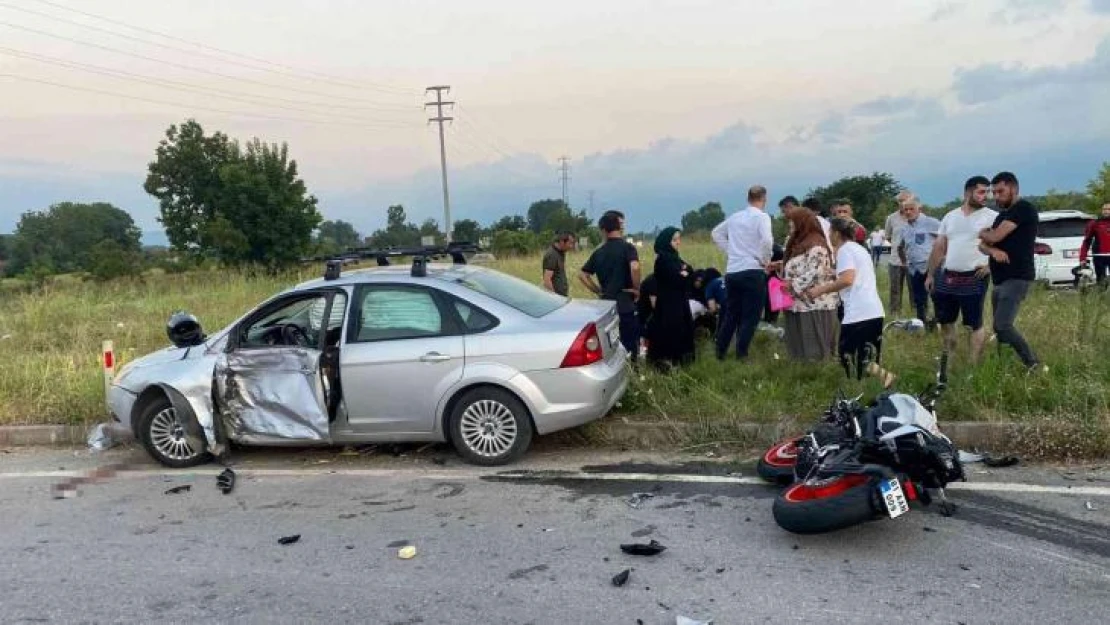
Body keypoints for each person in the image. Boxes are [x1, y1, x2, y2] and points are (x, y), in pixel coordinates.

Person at [926, 176, 998, 364]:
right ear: (967, 193)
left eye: (988, 192)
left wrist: (991, 265)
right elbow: (939, 246)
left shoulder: (992, 217)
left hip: (975, 276)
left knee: (974, 323)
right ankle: (948, 358)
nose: (986, 196)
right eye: (982, 192)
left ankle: (973, 364)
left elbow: (1008, 244)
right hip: (948, 275)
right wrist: (931, 274)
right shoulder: (951, 216)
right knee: (945, 320)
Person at [805, 218, 886, 380]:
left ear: (836, 233)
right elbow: (857, 275)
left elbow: (848, 279)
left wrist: (819, 290)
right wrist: (835, 272)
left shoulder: (844, 251)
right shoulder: (859, 249)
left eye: (830, 233)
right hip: (874, 311)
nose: (829, 236)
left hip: (859, 313)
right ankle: (885, 380)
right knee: (866, 357)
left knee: (847, 356)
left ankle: (868, 385)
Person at [978, 171, 1041, 372]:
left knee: (1003, 325)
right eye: (993, 193)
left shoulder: (1023, 209)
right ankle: (1002, 365)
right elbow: (983, 245)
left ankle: (1033, 364)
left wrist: (986, 236)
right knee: (998, 327)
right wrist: (992, 250)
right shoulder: (1002, 215)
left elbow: (993, 236)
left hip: (1017, 276)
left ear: (1013, 188)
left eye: (1000, 191)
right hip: (999, 278)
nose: (996, 197)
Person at [711, 185, 774, 360]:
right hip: (753, 269)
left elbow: (716, 233)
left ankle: (720, 351)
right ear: (764, 199)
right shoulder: (762, 217)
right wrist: (765, 259)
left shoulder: (735, 217)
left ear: (748, 199)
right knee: (751, 315)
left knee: (731, 313)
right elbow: (767, 240)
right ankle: (742, 353)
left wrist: (730, 250)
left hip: (733, 271)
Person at [579, 212, 641, 359]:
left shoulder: (599, 252)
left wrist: (598, 290)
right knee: (630, 343)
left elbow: (582, 275)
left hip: (606, 304)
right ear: (619, 228)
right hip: (625, 302)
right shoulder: (628, 248)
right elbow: (635, 267)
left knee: (610, 344)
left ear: (603, 230)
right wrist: (636, 288)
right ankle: (633, 370)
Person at [780, 210, 838, 361]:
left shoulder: (817, 244)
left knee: (812, 335)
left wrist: (792, 285)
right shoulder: (798, 242)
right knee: (798, 335)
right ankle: (801, 363)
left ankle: (816, 368)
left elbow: (815, 272)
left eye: (793, 221)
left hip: (814, 301)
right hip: (797, 301)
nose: (790, 224)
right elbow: (799, 263)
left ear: (802, 222)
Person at [646, 227, 696, 368]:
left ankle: (681, 361)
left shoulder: (674, 257)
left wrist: (685, 272)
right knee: (672, 331)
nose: (678, 242)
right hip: (669, 303)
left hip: (679, 301)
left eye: (679, 239)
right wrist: (683, 273)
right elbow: (677, 279)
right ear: (666, 241)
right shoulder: (663, 260)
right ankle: (670, 362)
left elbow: (690, 271)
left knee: (683, 330)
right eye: (674, 240)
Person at [898, 199, 941, 328]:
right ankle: (922, 323)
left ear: (920, 209)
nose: (908, 212)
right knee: (919, 299)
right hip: (914, 268)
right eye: (905, 210)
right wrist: (904, 262)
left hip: (930, 266)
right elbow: (900, 246)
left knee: (936, 296)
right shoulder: (904, 228)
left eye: (911, 209)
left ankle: (939, 322)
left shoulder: (931, 222)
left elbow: (946, 239)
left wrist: (943, 257)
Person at [884, 194, 911, 315]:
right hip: (895, 259)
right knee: (895, 289)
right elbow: (888, 236)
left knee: (914, 289)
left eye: (904, 200)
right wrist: (897, 245)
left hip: (913, 260)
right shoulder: (891, 218)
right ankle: (895, 313)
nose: (902, 203)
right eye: (899, 201)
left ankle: (915, 312)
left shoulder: (919, 217)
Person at [1079, 202, 1110, 286]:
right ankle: (1101, 297)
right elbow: (1087, 241)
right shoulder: (1094, 224)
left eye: (1108, 209)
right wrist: (1082, 257)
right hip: (1099, 256)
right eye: (1104, 209)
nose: (1106, 211)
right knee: (1101, 281)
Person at [541, 232, 575, 296]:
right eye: (570, 243)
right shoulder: (552, 255)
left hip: (561, 296)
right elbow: (547, 280)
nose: (571, 246)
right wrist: (555, 298)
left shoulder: (561, 252)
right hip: (556, 299)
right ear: (562, 242)